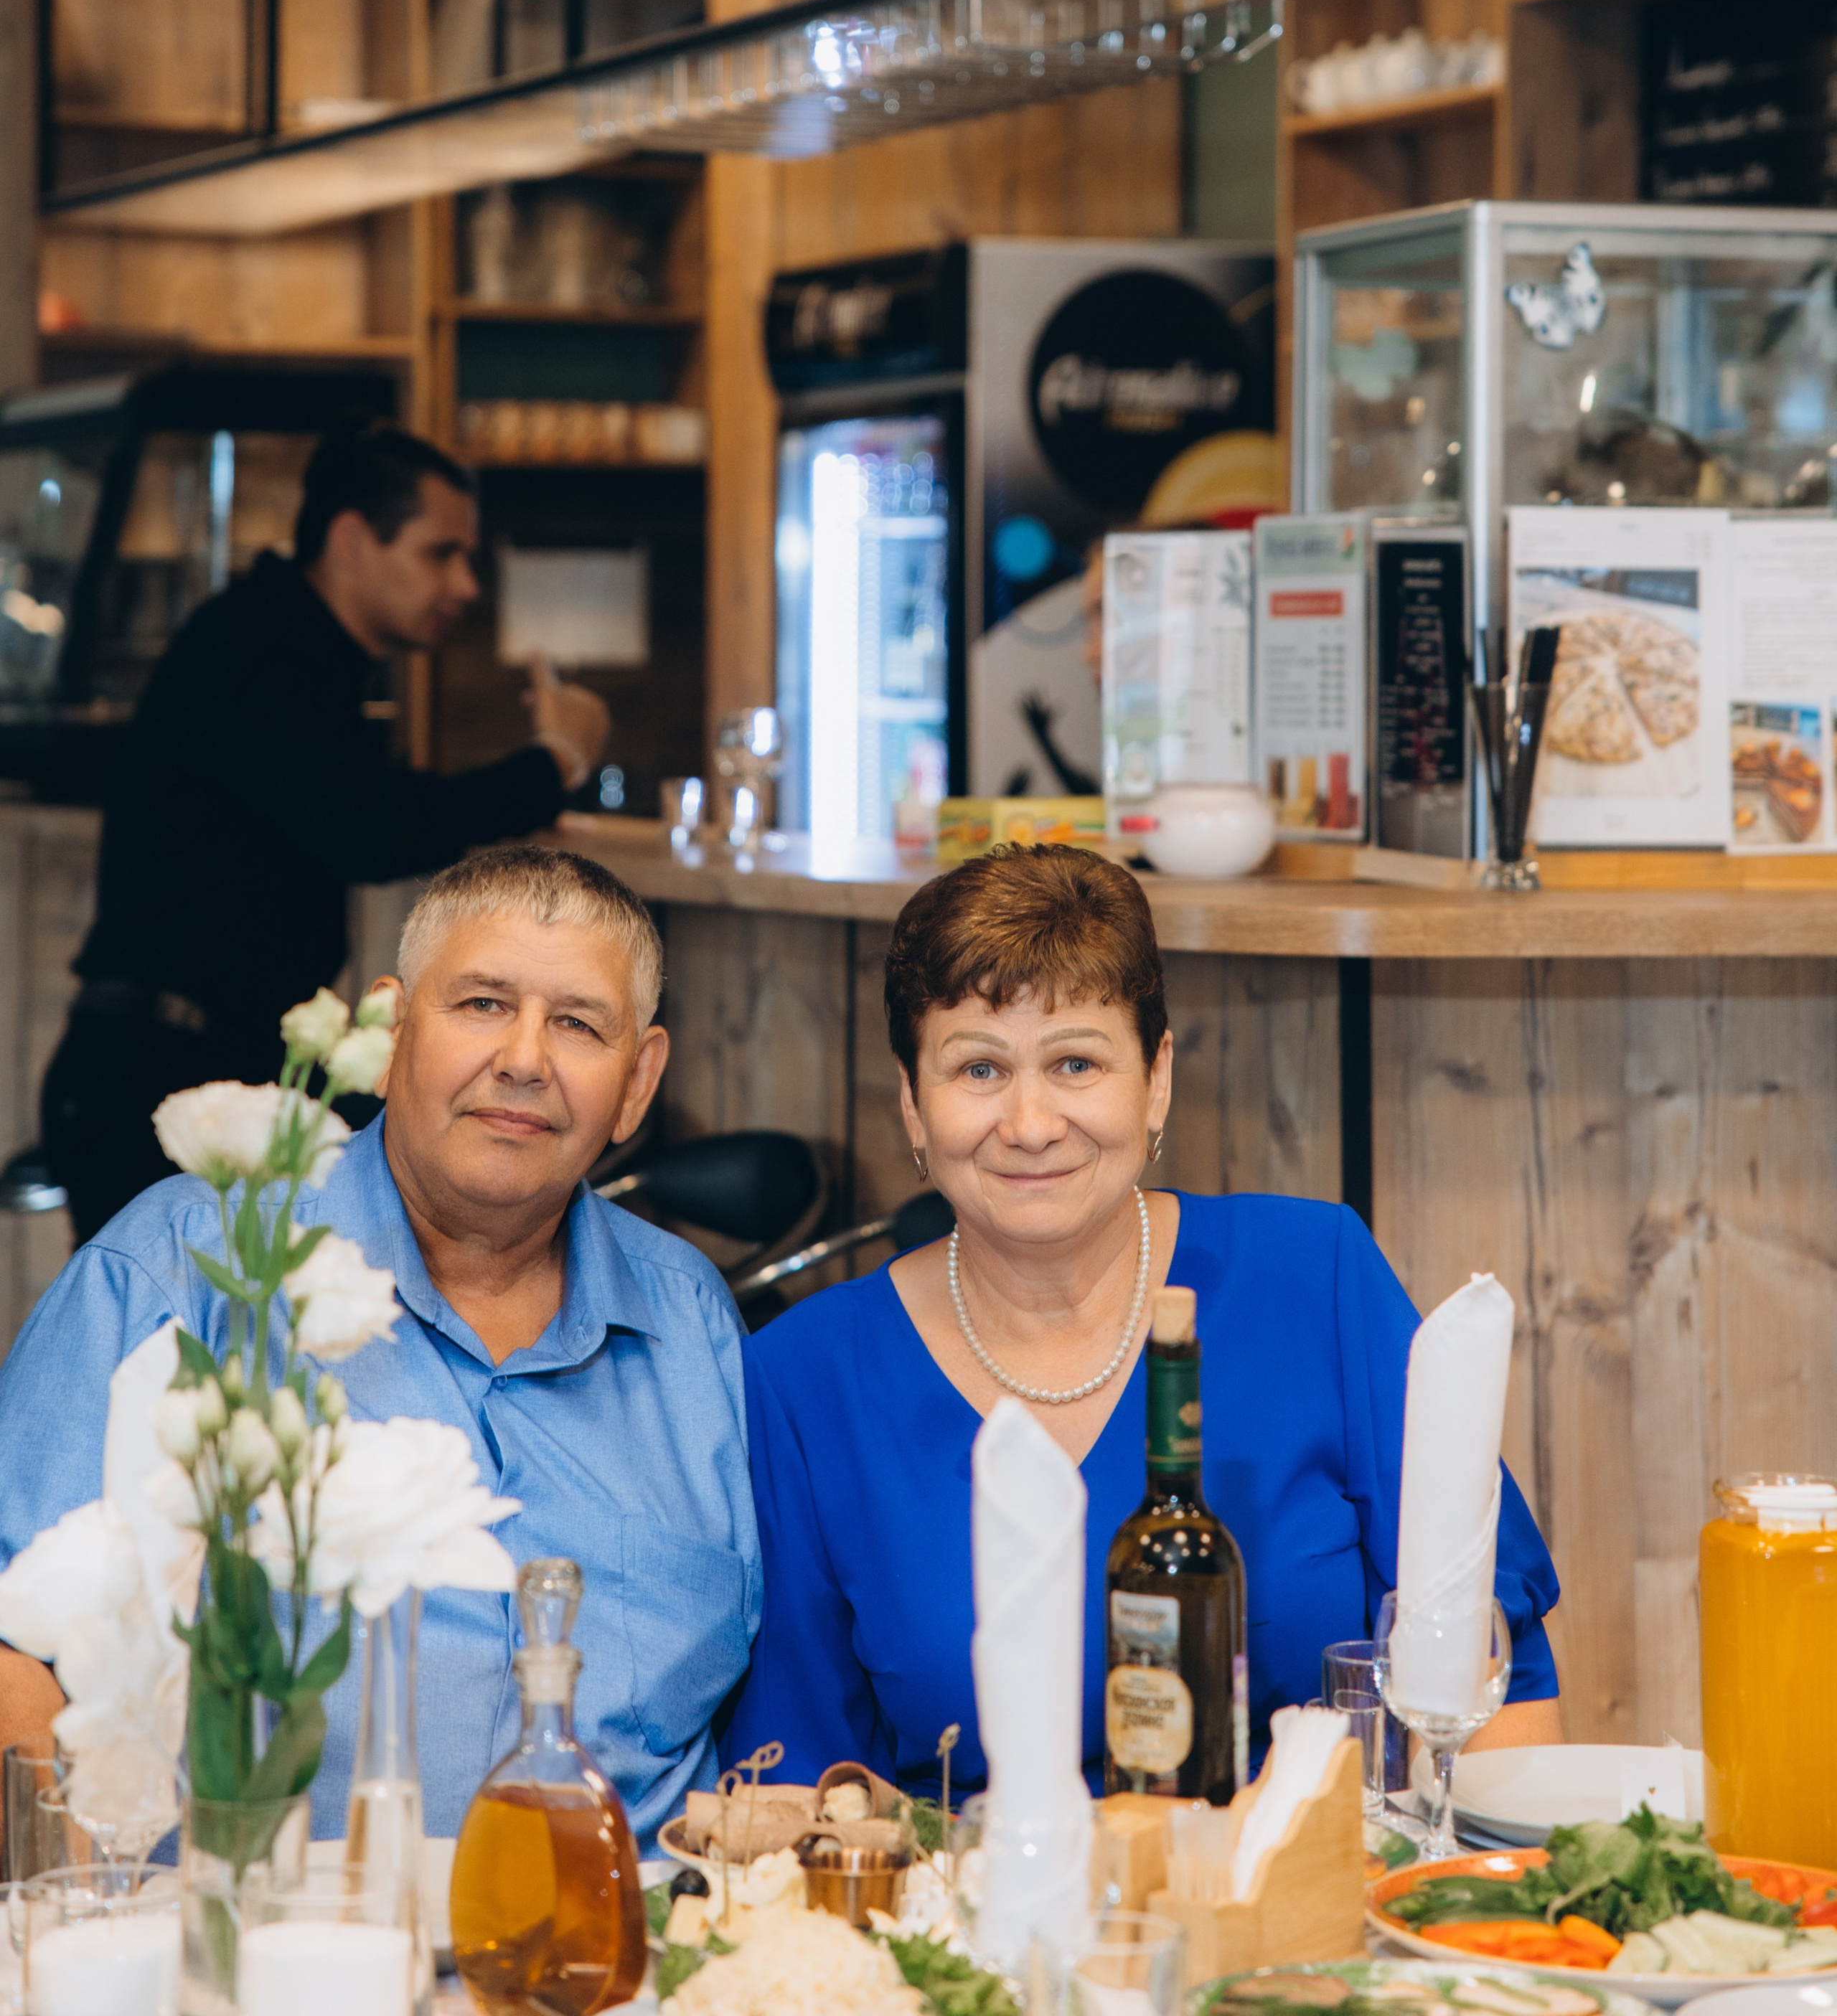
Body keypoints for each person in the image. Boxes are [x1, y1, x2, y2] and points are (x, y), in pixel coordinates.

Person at [725, 843, 1562, 1796]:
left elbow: (1500, 1686)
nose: (1031, 1122)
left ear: (1156, 1080)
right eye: (979, 1070)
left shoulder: (1315, 1279)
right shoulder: (803, 1380)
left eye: (1077, 1062)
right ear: (914, 1106)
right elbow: (801, 1780)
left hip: (1317, 1903)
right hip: (990, 1920)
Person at [0, 844, 759, 1848]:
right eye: (483, 1004)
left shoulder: (693, 1324)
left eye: (578, 1024)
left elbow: (753, 1694)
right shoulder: (194, 1267)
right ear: (394, 1028)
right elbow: (13, 1655)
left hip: (628, 1966)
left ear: (638, 1082)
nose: (526, 1059)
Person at [40, 422, 612, 1242]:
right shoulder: (263, 646)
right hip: (157, 1076)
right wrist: (553, 760)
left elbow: (359, 808)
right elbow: (369, 829)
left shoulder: (297, 646)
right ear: (351, 540)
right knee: (184, 1363)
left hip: (201, 1064)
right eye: (440, 553)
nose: (466, 585)